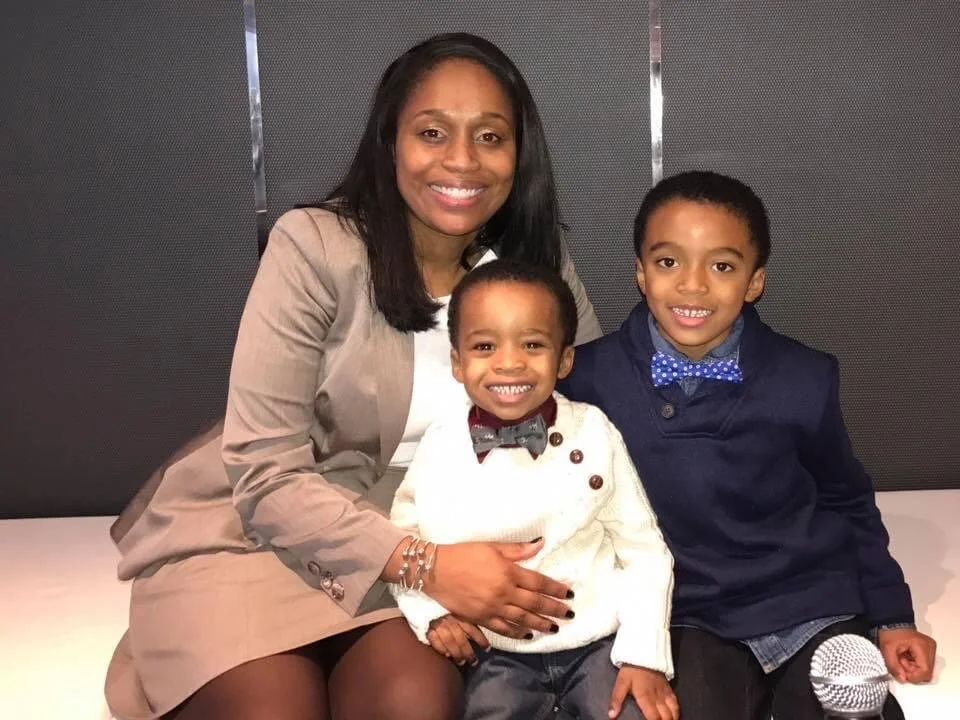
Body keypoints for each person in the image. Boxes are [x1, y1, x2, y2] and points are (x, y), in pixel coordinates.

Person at [104, 33, 602, 720]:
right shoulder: (315, 249)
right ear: (389, 142)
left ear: (520, 156)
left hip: (424, 550)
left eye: (490, 136)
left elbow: (592, 413)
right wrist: (428, 564)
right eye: (432, 132)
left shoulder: (532, 265)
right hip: (260, 536)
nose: (462, 160)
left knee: (414, 706)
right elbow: (263, 470)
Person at [559, 170, 937, 720]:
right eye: (669, 262)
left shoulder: (803, 377)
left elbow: (845, 499)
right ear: (640, 272)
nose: (693, 285)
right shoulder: (588, 380)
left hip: (812, 602)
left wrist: (892, 615)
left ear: (754, 281)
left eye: (721, 266)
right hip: (689, 614)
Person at [388, 259, 677, 720]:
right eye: (484, 346)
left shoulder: (594, 431)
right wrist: (430, 614)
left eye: (532, 344)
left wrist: (644, 655)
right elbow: (404, 543)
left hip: (599, 641)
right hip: (493, 652)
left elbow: (642, 549)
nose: (509, 362)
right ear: (458, 363)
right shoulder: (441, 446)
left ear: (564, 359)